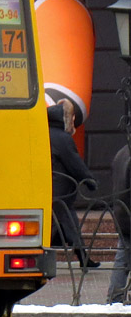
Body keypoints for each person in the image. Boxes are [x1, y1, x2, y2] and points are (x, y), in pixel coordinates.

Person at [49, 100, 99, 268]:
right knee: (65, 225)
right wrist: (90, 180)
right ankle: (83, 259)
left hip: (53, 190)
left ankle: (84, 259)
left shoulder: (47, 133)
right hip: (61, 192)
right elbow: (74, 162)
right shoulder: (62, 138)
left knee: (68, 225)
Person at [107, 145, 130, 304]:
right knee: (123, 258)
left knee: (122, 258)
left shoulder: (122, 152)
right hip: (127, 212)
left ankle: (114, 299)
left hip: (122, 214)